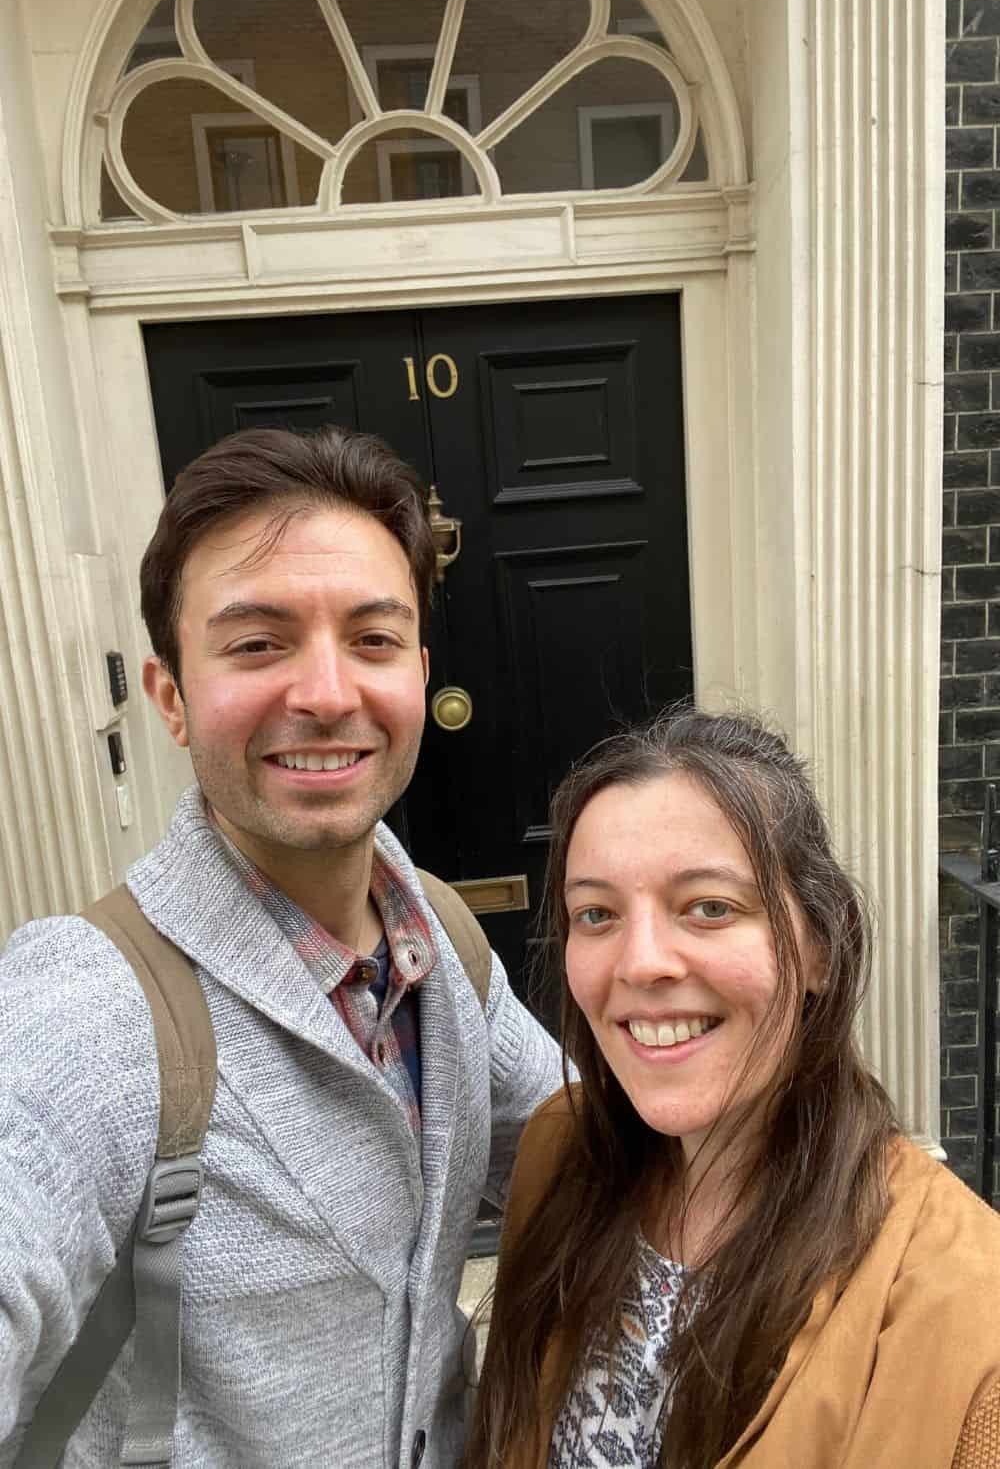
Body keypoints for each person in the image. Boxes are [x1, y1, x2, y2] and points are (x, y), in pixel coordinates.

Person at [0, 425, 562, 1468]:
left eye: (372, 639)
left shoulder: (435, 938)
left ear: (419, 675)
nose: (327, 692)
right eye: (258, 643)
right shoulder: (85, 1007)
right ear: (170, 697)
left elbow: (597, 1149)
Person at [467, 708, 1000, 1469]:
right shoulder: (559, 1151)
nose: (641, 963)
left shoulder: (967, 1314)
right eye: (597, 913)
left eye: (709, 907)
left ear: (820, 946)